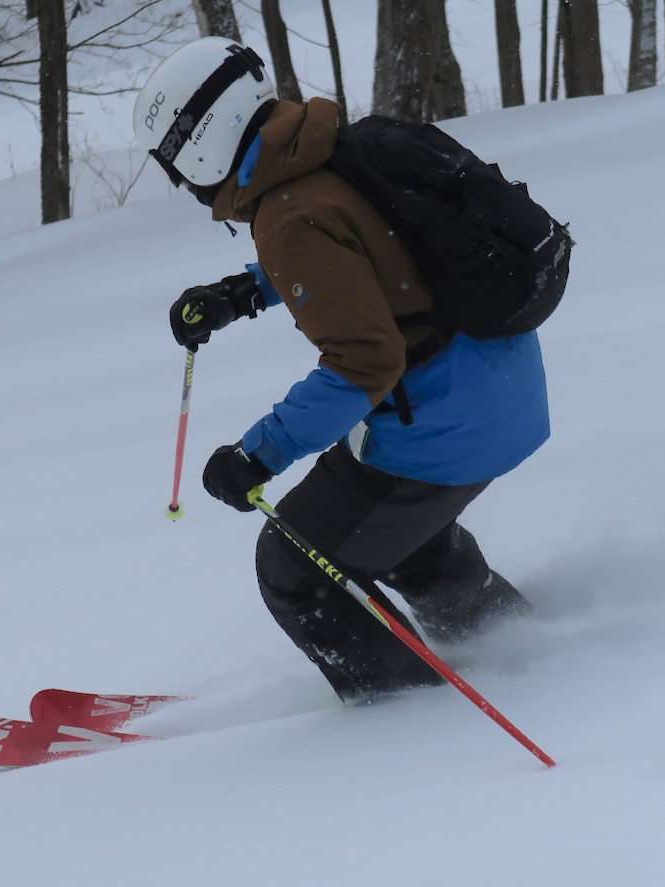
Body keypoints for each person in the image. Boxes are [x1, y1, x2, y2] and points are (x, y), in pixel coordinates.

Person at [133, 38, 551, 703]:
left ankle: (407, 720)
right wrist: (242, 294)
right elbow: (364, 253)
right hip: (505, 386)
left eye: (176, 169)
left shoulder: (288, 215)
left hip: (444, 425)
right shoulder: (329, 149)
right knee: (408, 543)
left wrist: (255, 455)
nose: (183, 185)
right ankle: (520, 645)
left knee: (293, 564)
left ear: (201, 146)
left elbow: (365, 363)